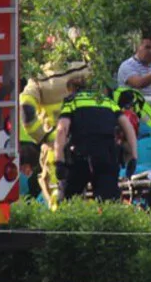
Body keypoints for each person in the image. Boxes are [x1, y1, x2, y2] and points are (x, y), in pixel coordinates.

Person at [54, 73, 136, 201]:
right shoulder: (107, 101)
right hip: (107, 156)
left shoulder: (72, 101)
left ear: (72, 89)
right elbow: (128, 127)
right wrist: (133, 157)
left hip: (81, 156)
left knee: (69, 201)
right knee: (108, 203)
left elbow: (61, 130)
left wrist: (59, 161)